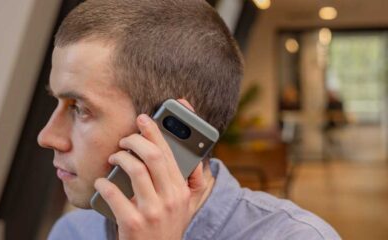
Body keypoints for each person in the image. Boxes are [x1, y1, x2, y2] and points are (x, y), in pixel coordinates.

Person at [37, 0, 340, 239]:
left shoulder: (297, 237)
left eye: (79, 108)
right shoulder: (72, 232)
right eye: (59, 103)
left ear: (169, 130)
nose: (47, 136)